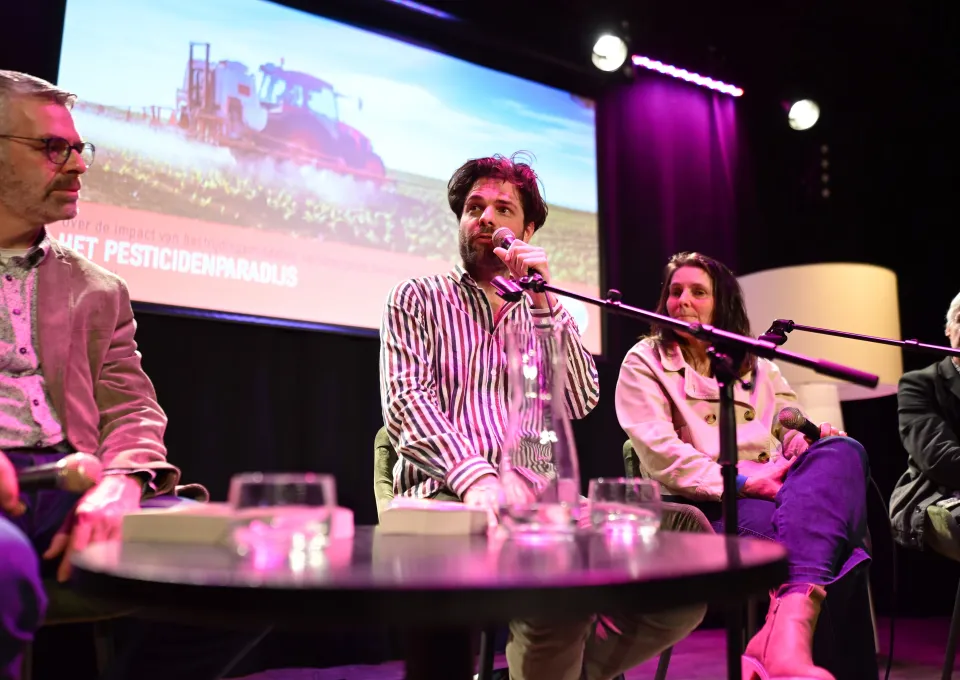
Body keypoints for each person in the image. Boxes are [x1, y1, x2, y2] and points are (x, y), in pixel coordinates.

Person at [379, 153, 705, 680]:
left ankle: (542, 671)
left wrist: (544, 303)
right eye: (472, 207)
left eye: (501, 208)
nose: (484, 218)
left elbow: (579, 400)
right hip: (449, 499)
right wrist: (479, 481)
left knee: (687, 546)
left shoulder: (547, 310)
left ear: (527, 229)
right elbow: (405, 402)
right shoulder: (416, 298)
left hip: (542, 505)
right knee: (562, 583)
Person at [0, 70, 264, 680]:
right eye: (51, 148)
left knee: (256, 558)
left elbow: (132, 410)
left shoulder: (99, 289)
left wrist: (121, 482)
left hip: (76, 484)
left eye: (77, 148)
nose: (77, 165)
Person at [615, 252, 877, 680]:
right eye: (675, 291)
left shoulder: (760, 366)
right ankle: (785, 650)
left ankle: (778, 645)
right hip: (703, 507)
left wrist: (799, 439)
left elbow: (788, 421)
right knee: (841, 547)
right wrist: (739, 480)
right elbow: (660, 450)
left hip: (775, 491)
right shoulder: (644, 361)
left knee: (844, 449)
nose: (683, 300)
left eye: (698, 292)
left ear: (723, 304)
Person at [890, 291, 960, 554]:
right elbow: (941, 459)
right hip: (939, 495)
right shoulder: (919, 383)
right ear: (948, 329)